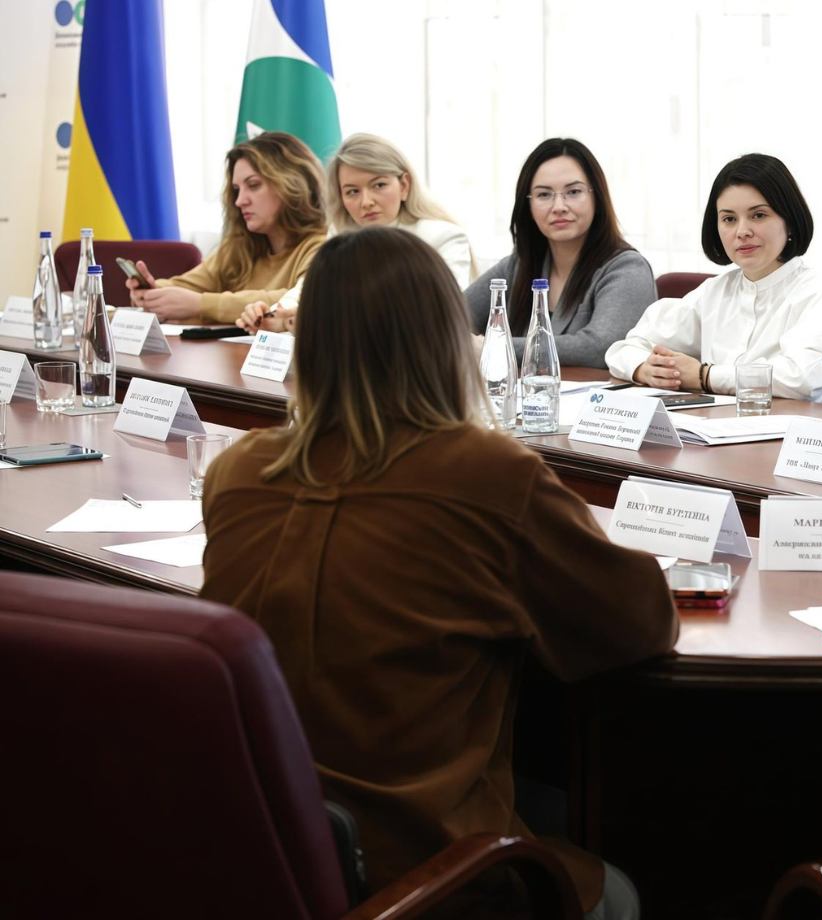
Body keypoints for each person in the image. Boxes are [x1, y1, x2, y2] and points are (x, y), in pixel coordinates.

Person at [199, 226, 676, 919]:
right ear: (446, 338)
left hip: (263, 851)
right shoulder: (487, 473)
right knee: (621, 893)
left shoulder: (238, 470)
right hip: (431, 872)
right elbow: (638, 627)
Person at [605, 153, 822, 405]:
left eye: (758, 215)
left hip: (809, 432)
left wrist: (705, 376)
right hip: (722, 431)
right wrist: (646, 369)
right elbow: (625, 350)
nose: (742, 231)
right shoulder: (713, 293)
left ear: (790, 221)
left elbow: (800, 380)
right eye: (729, 219)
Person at [236, 132, 473, 332]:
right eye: (352, 192)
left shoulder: (443, 237)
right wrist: (273, 315)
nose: (366, 202)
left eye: (378, 185)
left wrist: (322, 319)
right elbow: (309, 288)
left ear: (404, 185)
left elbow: (442, 315)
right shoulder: (341, 234)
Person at [459, 137, 655, 369]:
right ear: (528, 206)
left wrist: (494, 346)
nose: (559, 206)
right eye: (544, 195)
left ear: (597, 198)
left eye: (573, 192)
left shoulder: (627, 268)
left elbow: (602, 347)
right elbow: (449, 317)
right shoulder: (518, 266)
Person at [129, 132, 325, 324]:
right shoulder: (240, 245)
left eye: (253, 185)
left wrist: (201, 305)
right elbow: (187, 286)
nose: (240, 201)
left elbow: (299, 300)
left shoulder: (323, 246)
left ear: (292, 184)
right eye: (237, 190)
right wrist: (150, 293)